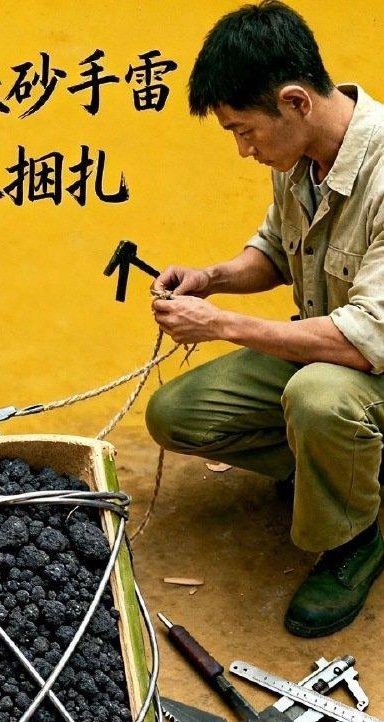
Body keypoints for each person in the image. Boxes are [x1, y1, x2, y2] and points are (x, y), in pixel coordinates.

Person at [146, 0, 384, 637]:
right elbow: (276, 252)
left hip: (360, 361)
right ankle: (344, 472)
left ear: (295, 101)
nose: (243, 150)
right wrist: (211, 278)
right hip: (327, 348)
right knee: (177, 414)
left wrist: (218, 324)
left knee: (319, 399)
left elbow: (362, 342)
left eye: (244, 131)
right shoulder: (301, 155)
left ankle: (354, 538)